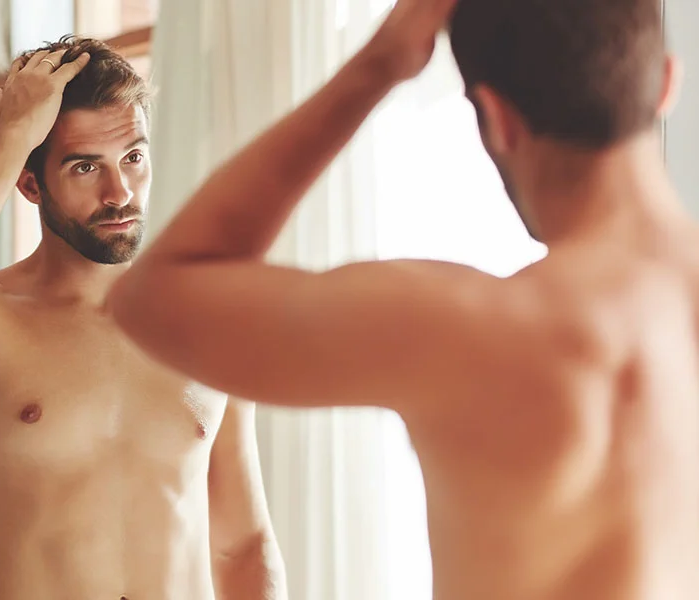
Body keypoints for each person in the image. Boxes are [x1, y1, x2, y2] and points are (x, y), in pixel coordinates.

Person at [106, 0, 699, 598]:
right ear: (666, 85)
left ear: (498, 120)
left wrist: (377, 68)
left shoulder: (462, 328)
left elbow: (150, 299)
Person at [0, 37, 286, 600]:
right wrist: (10, 139)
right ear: (29, 182)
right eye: (86, 166)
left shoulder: (205, 320)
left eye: (133, 157)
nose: (119, 193)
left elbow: (244, 545)